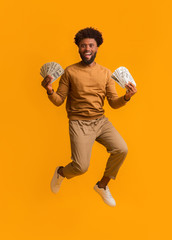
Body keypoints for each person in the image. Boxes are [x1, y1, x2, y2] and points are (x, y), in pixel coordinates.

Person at [41, 27, 137, 207]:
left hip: (100, 121)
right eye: (83, 45)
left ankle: (102, 186)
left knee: (122, 149)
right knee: (80, 167)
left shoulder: (106, 73)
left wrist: (126, 97)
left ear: (97, 47)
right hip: (79, 123)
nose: (87, 49)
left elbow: (113, 103)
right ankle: (61, 173)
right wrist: (50, 91)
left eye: (91, 45)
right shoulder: (69, 72)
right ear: (78, 48)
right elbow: (59, 100)